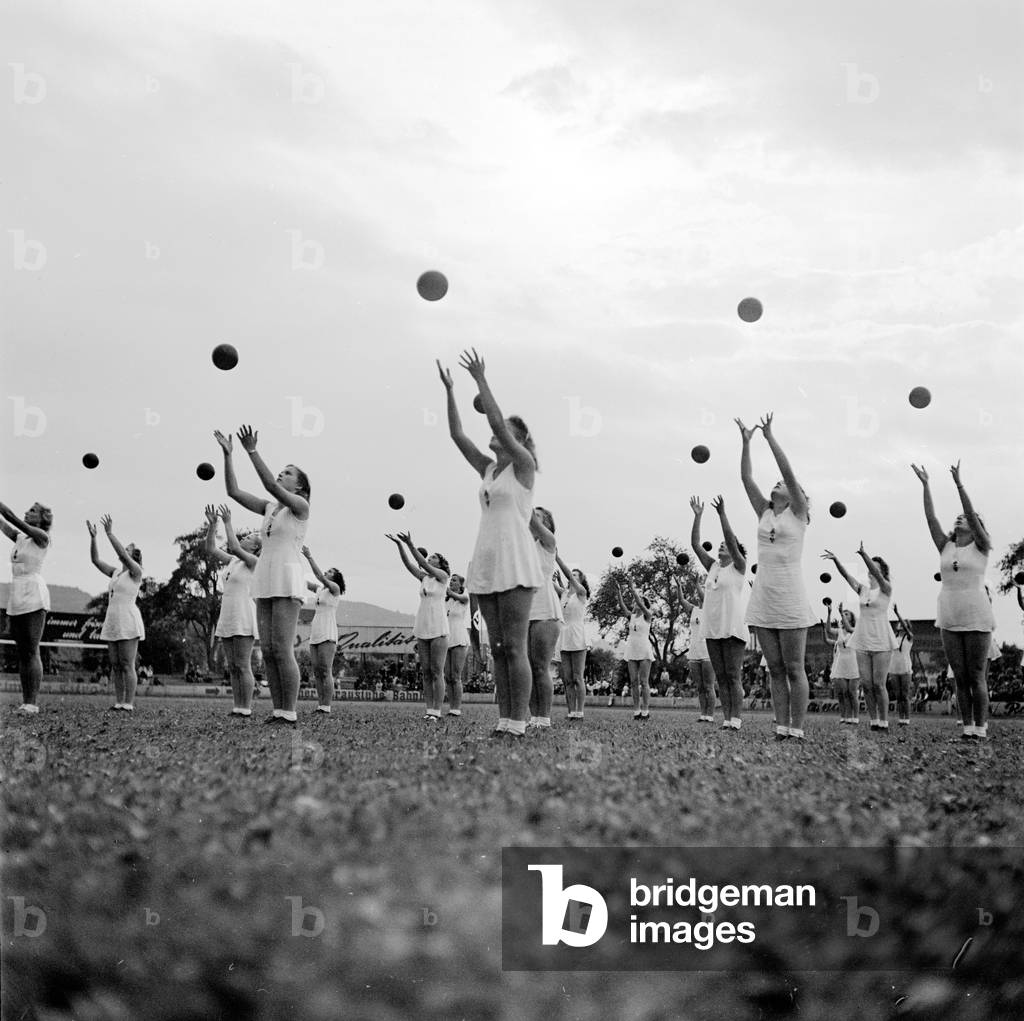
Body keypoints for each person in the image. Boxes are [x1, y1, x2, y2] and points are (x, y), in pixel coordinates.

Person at [438, 351, 542, 739]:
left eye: (504, 431)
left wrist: (481, 380)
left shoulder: (524, 466)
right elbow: (457, 436)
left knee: (514, 647)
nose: (494, 432)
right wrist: (451, 391)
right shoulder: (487, 469)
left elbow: (495, 419)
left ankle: (520, 721)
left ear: (518, 440)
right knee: (497, 648)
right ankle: (504, 719)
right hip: (487, 558)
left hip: (515, 559)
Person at [215, 425, 310, 727]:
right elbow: (233, 492)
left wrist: (252, 451)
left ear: (299, 487)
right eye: (281, 471)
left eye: (288, 473)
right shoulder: (270, 508)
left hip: (287, 575)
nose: (282, 474)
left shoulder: (300, 507)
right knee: (268, 650)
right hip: (265, 576)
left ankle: (290, 711)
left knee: (282, 648)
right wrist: (229, 456)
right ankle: (278, 710)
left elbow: (270, 485)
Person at [737, 413, 816, 741]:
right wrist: (747, 443)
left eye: (783, 485)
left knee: (794, 668)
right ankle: (781, 725)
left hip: (790, 594)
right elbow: (746, 479)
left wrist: (770, 438)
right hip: (765, 594)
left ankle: (797, 728)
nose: (778, 483)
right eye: (777, 484)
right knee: (775, 668)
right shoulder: (765, 511)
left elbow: (788, 473)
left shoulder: (798, 514)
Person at [911, 461, 995, 740]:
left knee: (976, 673)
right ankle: (967, 725)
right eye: (957, 517)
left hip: (976, 611)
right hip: (949, 611)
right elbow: (930, 518)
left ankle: (980, 727)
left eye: (965, 518)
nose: (959, 519)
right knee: (959, 676)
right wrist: (926, 485)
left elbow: (969, 511)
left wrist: (959, 484)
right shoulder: (945, 546)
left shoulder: (981, 546)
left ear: (975, 526)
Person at [688, 495, 750, 731]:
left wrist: (722, 514)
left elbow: (731, 543)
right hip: (712, 626)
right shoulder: (713, 566)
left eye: (726, 544)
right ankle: (726, 718)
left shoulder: (738, 567)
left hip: (732, 625)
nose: (722, 545)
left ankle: (736, 719)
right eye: (721, 544)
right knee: (721, 677)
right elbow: (695, 545)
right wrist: (698, 516)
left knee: (733, 676)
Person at [822, 543, 896, 731]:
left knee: (879, 684)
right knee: (867, 684)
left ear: (881, 571)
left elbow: (878, 575)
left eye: (874, 567)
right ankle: (874, 721)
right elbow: (847, 576)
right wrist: (836, 560)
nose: (871, 571)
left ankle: (884, 721)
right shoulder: (863, 590)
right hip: (862, 638)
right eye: (870, 568)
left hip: (881, 637)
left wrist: (865, 555)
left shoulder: (886, 588)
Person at [387, 531, 450, 721]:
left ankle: (437, 711)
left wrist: (411, 544)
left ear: (440, 563)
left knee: (437, 671)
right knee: (426, 671)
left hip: (438, 626)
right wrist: (400, 545)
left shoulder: (443, 576)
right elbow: (409, 565)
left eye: (433, 558)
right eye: (429, 557)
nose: (429, 559)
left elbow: (421, 563)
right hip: (423, 625)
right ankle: (429, 709)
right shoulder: (424, 578)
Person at [205, 504, 261, 717]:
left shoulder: (253, 562)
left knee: (243, 664)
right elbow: (211, 549)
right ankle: (237, 706)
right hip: (228, 614)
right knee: (233, 666)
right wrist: (213, 525)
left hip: (243, 614)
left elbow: (235, 547)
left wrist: (228, 522)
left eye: (250, 538)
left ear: (256, 548)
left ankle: (245, 708)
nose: (245, 538)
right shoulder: (233, 562)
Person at [0, 499, 52, 715]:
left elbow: (10, 517)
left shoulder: (42, 537)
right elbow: (5, 525)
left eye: (32, 511)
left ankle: (32, 702)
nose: (27, 512)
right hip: (17, 591)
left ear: (42, 519)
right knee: (22, 652)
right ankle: (26, 701)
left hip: (33, 592)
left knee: (31, 649)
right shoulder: (21, 538)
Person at [88, 515, 144, 712]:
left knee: (127, 663)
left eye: (128, 550)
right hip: (113, 618)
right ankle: (119, 701)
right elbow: (95, 560)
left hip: (128, 619)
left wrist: (110, 533)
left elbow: (122, 555)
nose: (124, 551)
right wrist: (94, 538)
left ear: (133, 556)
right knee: (116, 664)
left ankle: (128, 702)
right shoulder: (115, 573)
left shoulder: (136, 573)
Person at [525, 508, 564, 730]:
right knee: (527, 668)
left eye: (539, 515)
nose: (533, 517)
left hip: (545, 609)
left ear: (547, 522)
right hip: (525, 609)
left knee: (540, 666)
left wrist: (521, 494)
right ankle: (534, 717)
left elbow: (528, 518)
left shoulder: (549, 541)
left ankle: (545, 718)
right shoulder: (523, 544)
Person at [301, 545, 345, 715]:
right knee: (317, 671)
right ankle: (320, 705)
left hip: (327, 631)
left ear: (336, 577)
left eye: (330, 571)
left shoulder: (335, 589)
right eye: (327, 571)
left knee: (325, 670)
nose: (326, 573)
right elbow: (306, 583)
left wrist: (309, 557)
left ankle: (326, 706)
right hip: (316, 631)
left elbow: (319, 576)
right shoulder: (320, 590)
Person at [554, 557, 590, 720]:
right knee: (567, 679)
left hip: (577, 634)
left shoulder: (581, 593)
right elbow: (547, 581)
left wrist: (556, 557)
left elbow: (567, 575)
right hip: (564, 635)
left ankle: (580, 711)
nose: (572, 577)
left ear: (581, 581)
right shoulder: (563, 594)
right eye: (572, 575)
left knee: (577, 677)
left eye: (576, 575)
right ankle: (571, 712)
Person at [616, 575, 655, 721]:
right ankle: (637, 710)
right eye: (634, 602)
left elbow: (640, 600)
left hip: (644, 649)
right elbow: (622, 606)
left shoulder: (647, 615)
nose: (635, 604)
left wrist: (632, 589)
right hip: (631, 648)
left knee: (644, 681)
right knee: (633, 681)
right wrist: (619, 592)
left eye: (638, 602)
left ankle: (645, 710)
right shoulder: (631, 616)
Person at [823, 604, 860, 724]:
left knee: (852, 692)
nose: (844, 614)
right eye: (843, 613)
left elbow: (849, 629)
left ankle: (856, 717)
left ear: (851, 618)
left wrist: (840, 613)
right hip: (841, 662)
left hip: (852, 662)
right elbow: (828, 630)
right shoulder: (839, 630)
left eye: (847, 613)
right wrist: (829, 613)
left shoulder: (855, 630)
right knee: (843, 692)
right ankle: (845, 717)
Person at [444, 574, 470, 717]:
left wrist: (450, 592)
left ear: (460, 584)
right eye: (451, 580)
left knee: (455, 675)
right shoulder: (446, 600)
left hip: (459, 636)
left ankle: (456, 708)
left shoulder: (463, 597)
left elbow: (464, 598)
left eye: (454, 580)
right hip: (447, 637)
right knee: (447, 676)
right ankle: (451, 706)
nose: (451, 582)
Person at [889, 604, 914, 727]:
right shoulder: (893, 637)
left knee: (905, 695)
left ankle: (907, 718)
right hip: (894, 667)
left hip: (905, 667)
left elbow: (905, 627)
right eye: (899, 623)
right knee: (898, 695)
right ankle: (901, 718)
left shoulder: (909, 637)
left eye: (902, 623)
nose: (900, 624)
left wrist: (897, 614)